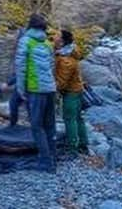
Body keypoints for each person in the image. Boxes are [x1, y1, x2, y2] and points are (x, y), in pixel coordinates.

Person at [16, 13, 57, 173]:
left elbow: (20, 68)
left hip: (36, 90)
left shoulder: (25, 41)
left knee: (36, 126)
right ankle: (52, 158)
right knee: (50, 125)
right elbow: (52, 66)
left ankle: (45, 162)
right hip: (50, 89)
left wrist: (21, 89)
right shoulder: (47, 43)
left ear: (30, 25)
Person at [55, 29, 89, 157]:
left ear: (62, 41)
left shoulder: (66, 60)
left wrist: (53, 90)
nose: (54, 37)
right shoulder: (69, 53)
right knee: (78, 118)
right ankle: (83, 144)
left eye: (57, 36)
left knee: (69, 119)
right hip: (77, 90)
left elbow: (62, 81)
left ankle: (72, 148)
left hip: (71, 93)